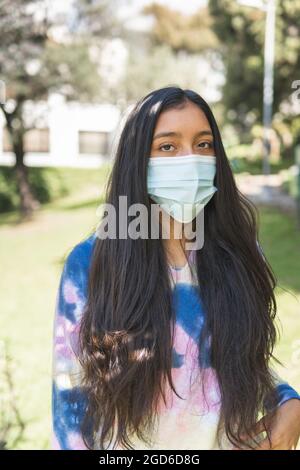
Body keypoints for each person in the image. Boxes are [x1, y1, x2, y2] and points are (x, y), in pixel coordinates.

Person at [51, 86, 300, 450]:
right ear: (138, 162)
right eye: (168, 146)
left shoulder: (241, 253)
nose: (191, 159)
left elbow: (246, 363)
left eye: (203, 145)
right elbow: (70, 406)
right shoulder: (89, 265)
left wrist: (288, 401)